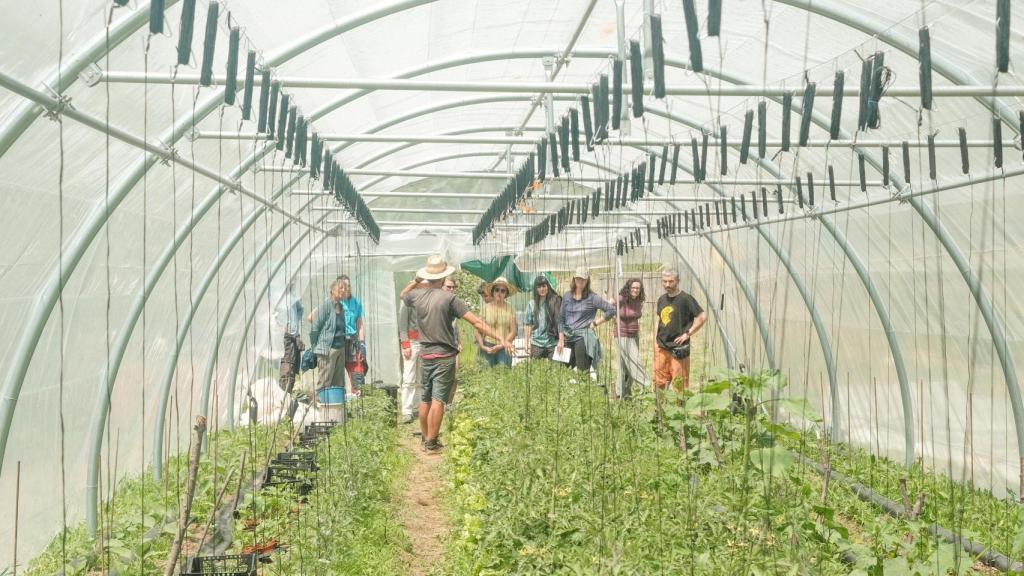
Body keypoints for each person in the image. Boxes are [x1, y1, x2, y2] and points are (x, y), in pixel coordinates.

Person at [400, 255, 509, 452]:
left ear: (427, 276)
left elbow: (403, 295)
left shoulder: (418, 295)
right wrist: (501, 338)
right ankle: (432, 442)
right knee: (439, 398)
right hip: (444, 355)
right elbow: (476, 322)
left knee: (425, 397)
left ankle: (425, 437)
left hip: (425, 353)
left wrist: (417, 280)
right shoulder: (449, 299)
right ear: (443, 278)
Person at [557, 266, 616, 377]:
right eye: (578, 278)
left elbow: (611, 310)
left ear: (587, 280)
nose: (580, 281)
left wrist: (595, 323)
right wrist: (560, 339)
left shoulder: (592, 297)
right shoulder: (567, 296)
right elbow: (561, 318)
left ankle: (583, 393)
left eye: (583, 279)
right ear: (574, 279)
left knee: (582, 373)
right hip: (567, 337)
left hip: (583, 338)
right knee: (561, 371)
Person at [654, 268, 707, 390]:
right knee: (659, 383)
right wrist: (654, 341)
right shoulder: (661, 299)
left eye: (671, 281)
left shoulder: (686, 299)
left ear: (678, 281)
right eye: (665, 281)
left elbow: (702, 316)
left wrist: (688, 334)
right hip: (661, 347)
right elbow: (659, 319)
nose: (667, 284)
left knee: (680, 385)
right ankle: (660, 408)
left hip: (679, 349)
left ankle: (680, 408)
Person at [308, 279, 348, 401]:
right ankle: (319, 408)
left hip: (340, 348)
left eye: (344, 288)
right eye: (340, 288)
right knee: (325, 382)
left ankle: (336, 411)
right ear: (332, 290)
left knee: (338, 382)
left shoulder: (341, 307)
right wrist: (317, 347)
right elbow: (315, 328)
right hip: (327, 349)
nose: (343, 290)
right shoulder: (326, 306)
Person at [613, 278, 649, 400]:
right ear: (629, 288)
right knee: (635, 362)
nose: (635, 290)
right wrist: (613, 315)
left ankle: (622, 394)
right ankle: (647, 389)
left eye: (638, 288)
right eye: (633, 288)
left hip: (634, 335)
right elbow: (608, 304)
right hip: (622, 335)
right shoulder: (622, 298)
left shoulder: (639, 300)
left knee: (624, 366)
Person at [476, 276, 518, 368]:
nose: (499, 293)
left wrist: (504, 343)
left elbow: (513, 331)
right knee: (486, 376)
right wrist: (482, 346)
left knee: (504, 376)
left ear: (506, 294)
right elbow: (478, 330)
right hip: (488, 345)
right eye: (497, 290)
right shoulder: (485, 308)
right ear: (493, 291)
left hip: (504, 346)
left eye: (503, 291)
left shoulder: (510, 308)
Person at [397, 283, 423, 424]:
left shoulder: (426, 300)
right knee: (408, 378)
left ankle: (417, 407)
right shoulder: (407, 302)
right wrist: (405, 344)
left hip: (424, 342)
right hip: (412, 343)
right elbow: (402, 326)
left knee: (421, 377)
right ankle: (406, 410)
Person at [336, 277, 366, 398]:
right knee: (337, 374)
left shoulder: (356, 302)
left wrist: (362, 343)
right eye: (342, 286)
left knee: (357, 371)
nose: (345, 289)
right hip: (338, 340)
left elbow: (359, 324)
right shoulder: (334, 302)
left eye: (347, 286)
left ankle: (358, 397)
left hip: (353, 340)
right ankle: (339, 401)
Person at [524, 275, 561, 359]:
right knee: (536, 370)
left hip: (552, 343)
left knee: (555, 370)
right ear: (536, 289)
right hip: (536, 343)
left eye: (544, 286)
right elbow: (528, 324)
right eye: (539, 287)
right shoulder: (531, 304)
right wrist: (526, 342)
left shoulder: (555, 301)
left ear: (548, 287)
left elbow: (560, 321)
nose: (542, 289)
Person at [277, 281, 305, 394]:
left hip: (293, 335)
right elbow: (271, 314)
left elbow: (300, 309)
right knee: (286, 366)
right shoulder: (277, 298)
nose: (292, 283)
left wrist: (294, 325)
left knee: (292, 366)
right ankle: (284, 393)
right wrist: (281, 326)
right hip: (285, 337)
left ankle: (288, 393)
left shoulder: (293, 297)